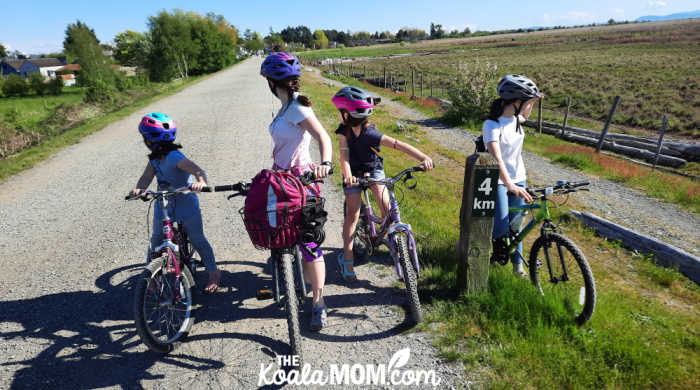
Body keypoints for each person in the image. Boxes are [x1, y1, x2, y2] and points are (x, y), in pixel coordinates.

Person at [260, 52, 333, 331]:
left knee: (309, 243)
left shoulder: (297, 108)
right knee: (282, 235)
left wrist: (324, 164)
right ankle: (290, 283)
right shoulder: (283, 109)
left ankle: (318, 303)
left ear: (271, 82)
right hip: (281, 181)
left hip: (302, 182)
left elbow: (322, 136)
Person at [332, 86, 434, 282]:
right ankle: (347, 257)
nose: (339, 114)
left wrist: (423, 157)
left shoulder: (370, 133)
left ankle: (397, 248)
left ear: (348, 114)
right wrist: (347, 176)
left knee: (387, 208)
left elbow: (397, 144)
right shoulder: (343, 131)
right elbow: (343, 155)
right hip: (353, 173)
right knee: (352, 213)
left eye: (340, 111)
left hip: (373, 169)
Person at [131, 112, 221, 292]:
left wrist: (201, 182)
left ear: (149, 140)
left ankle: (213, 272)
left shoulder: (175, 157)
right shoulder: (154, 159)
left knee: (197, 238)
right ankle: (152, 275)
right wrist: (139, 189)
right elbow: (146, 177)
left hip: (185, 201)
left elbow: (197, 170)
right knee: (156, 239)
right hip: (164, 203)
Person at [482, 75, 543, 276]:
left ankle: (518, 269)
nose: (527, 107)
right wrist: (509, 185)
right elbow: (496, 158)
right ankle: (489, 256)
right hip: (500, 181)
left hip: (519, 178)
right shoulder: (492, 125)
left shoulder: (516, 119)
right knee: (500, 227)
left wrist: (533, 100)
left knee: (516, 228)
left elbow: (525, 114)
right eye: (525, 102)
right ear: (517, 101)